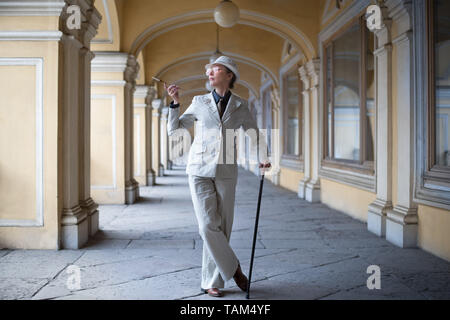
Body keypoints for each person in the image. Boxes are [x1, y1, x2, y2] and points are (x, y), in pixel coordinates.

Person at [165, 56, 271, 297]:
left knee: (222, 226)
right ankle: (234, 269)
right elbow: (176, 129)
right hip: (198, 169)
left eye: (216, 69)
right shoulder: (199, 101)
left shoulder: (241, 105)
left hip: (226, 170)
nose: (210, 73)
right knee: (206, 226)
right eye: (209, 70)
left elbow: (253, 133)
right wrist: (174, 103)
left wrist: (262, 156)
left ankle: (211, 281)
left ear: (229, 75)